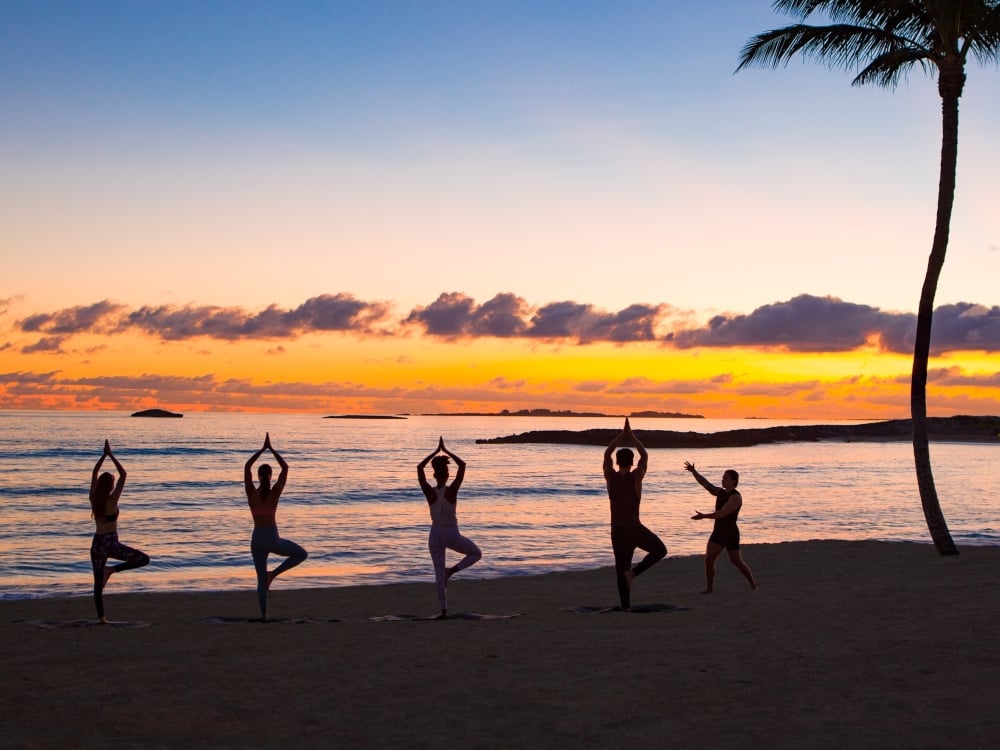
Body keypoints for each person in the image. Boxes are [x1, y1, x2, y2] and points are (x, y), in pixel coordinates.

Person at [603, 418, 667, 611]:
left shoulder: (611, 477)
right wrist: (632, 436)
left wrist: (621, 436)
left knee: (620, 569)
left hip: (617, 531)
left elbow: (607, 454)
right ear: (632, 463)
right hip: (633, 529)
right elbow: (645, 455)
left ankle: (626, 607)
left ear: (617, 462)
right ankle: (635, 573)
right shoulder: (636, 477)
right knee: (660, 550)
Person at [245, 433, 308, 621]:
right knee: (301, 554)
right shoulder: (274, 493)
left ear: (258, 476)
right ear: (270, 476)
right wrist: (271, 450)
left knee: (259, 582)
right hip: (272, 538)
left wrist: (261, 450)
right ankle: (273, 574)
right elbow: (285, 467)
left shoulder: (251, 493)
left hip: (257, 539)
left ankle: (264, 616)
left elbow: (247, 466)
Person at [417, 437, 482, 618]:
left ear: (435, 475)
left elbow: (419, 468)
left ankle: (444, 611)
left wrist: (435, 452)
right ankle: (452, 571)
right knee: (476, 553)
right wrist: (445, 451)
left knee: (438, 574)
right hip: (452, 534)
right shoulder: (452, 491)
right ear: (446, 475)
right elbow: (462, 465)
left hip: (436, 534)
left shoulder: (429, 492)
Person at [89, 440, 150, 623]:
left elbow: (94, 473)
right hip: (111, 544)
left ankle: (101, 618)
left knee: (97, 585)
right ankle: (112, 570)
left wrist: (103, 456)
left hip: (97, 544)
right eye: (113, 483)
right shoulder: (112, 501)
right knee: (143, 559)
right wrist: (111, 455)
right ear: (110, 486)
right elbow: (123, 474)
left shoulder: (93, 498)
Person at [685, 461, 758, 593]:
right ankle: (710, 588)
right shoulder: (721, 492)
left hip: (728, 532)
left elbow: (721, 514)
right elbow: (706, 484)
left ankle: (753, 583)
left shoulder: (735, 497)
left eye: (726, 478)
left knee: (736, 562)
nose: (723, 480)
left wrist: (703, 516)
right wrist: (694, 472)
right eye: (723, 478)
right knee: (709, 560)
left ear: (733, 481)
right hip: (720, 530)